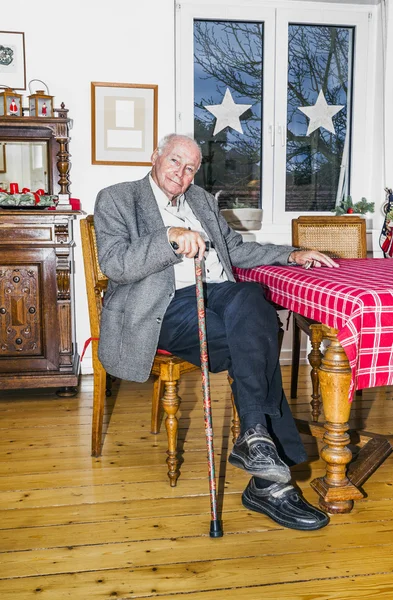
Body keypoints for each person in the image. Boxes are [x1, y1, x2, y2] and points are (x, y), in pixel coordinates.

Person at [94, 133, 339, 531]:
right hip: (164, 308)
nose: (182, 173)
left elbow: (235, 249)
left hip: (220, 299)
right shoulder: (118, 198)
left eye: (191, 168)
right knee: (256, 338)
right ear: (155, 157)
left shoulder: (203, 202)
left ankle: (258, 444)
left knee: (250, 301)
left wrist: (290, 254)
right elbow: (115, 264)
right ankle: (268, 480)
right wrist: (169, 238)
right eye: (175, 161)